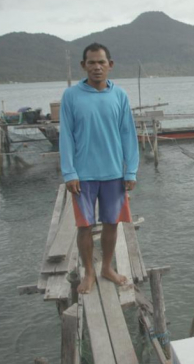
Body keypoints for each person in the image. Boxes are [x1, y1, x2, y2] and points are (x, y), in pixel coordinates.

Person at [59, 42, 139, 294]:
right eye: (91, 62)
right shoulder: (71, 96)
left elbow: (128, 134)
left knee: (111, 223)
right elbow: (66, 137)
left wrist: (131, 170)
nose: (96, 67)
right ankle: (89, 273)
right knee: (84, 226)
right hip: (83, 175)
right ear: (83, 65)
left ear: (110, 65)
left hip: (114, 173)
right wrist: (69, 172)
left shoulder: (119, 96)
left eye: (101, 62)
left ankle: (106, 267)